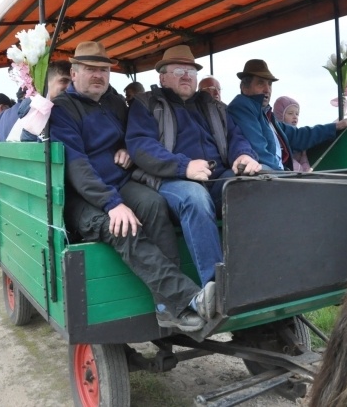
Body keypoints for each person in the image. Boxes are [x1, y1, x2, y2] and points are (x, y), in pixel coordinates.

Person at [50, 41, 215, 333]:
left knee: (154, 204)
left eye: (103, 70)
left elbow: (137, 135)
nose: (98, 75)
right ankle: (187, 298)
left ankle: (165, 308)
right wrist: (112, 203)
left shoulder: (114, 102)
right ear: (74, 74)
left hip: (120, 182)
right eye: (90, 69)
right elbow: (76, 165)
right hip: (82, 196)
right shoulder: (63, 109)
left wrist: (127, 147)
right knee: (123, 228)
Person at [126, 45, 261, 289]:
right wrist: (183, 166)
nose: (187, 76)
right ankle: (219, 289)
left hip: (216, 177)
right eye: (179, 71)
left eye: (191, 71)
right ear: (162, 77)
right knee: (195, 197)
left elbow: (235, 136)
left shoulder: (213, 106)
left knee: (257, 184)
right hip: (170, 180)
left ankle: (258, 274)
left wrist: (243, 155)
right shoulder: (146, 104)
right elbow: (141, 146)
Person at [227, 60, 347, 171]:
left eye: (269, 84)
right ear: (244, 88)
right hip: (264, 177)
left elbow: (297, 135)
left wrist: (334, 127)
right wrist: (283, 175)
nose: (267, 89)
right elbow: (259, 149)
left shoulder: (266, 115)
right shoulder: (242, 107)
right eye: (261, 83)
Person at [273, 96, 312, 172]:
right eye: (290, 113)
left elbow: (303, 160)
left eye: (297, 114)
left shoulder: (298, 137)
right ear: (280, 115)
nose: (295, 117)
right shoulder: (276, 136)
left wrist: (306, 169)